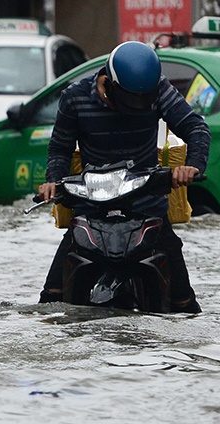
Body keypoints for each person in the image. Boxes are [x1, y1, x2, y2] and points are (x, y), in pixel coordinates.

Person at [34, 41, 209, 312]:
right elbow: (60, 149)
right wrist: (53, 182)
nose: (136, 108)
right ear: (108, 82)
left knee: (184, 304)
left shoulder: (159, 89)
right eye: (131, 100)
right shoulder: (75, 97)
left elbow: (196, 127)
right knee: (52, 300)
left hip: (146, 205)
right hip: (91, 208)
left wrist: (193, 166)